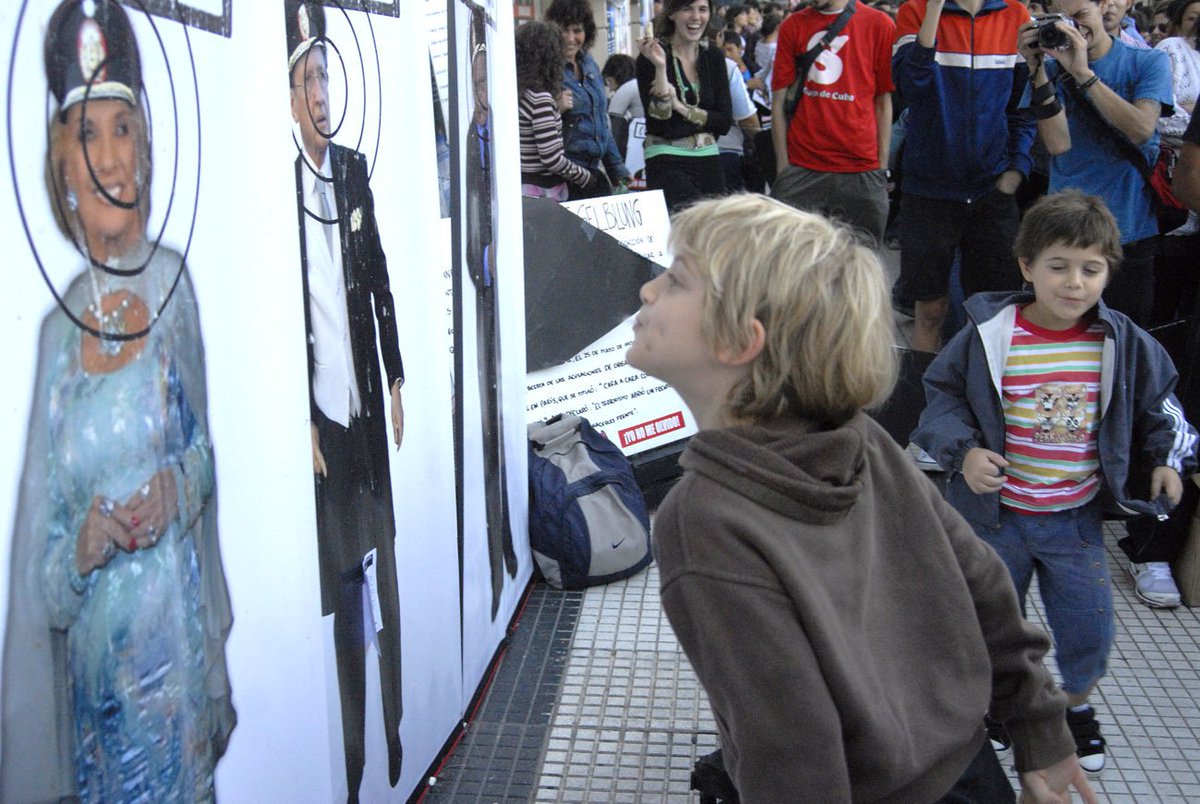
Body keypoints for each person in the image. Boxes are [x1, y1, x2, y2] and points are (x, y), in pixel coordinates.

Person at [627, 194, 1095, 802]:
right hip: (969, 773)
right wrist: (1041, 732)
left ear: (740, 339)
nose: (647, 290)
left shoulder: (705, 516)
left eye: (675, 280)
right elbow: (983, 587)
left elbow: (790, 744)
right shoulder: (863, 440)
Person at [2, 1, 235, 800]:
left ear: (145, 150)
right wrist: (83, 548)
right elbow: (43, 580)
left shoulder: (173, 290)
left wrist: (178, 487)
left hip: (175, 697)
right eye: (87, 134)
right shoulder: (55, 339)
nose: (107, 157)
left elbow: (203, 458)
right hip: (95, 722)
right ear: (63, 169)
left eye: (123, 129)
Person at [913, 191, 1198, 773]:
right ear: (1027, 267)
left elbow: (1163, 406)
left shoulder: (1121, 341)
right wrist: (964, 453)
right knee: (987, 624)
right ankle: (999, 708)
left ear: (1109, 272)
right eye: (1059, 266)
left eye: (1091, 269)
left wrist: (1168, 460)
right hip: (994, 520)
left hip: (1074, 521)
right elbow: (941, 398)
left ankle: (1072, 708)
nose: (1074, 283)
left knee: (1089, 628)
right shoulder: (990, 334)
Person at [286, 2, 405, 796]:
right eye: (309, 79)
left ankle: (396, 732)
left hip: (366, 400)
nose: (323, 93)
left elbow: (380, 276)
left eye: (327, 75)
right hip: (323, 417)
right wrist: (300, 415)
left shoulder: (354, 168)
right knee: (343, 585)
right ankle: (355, 760)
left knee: (385, 567)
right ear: (288, 95)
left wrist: (395, 377)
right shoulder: (276, 187)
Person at [1018, 0, 1173, 326]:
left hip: (1128, 230)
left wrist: (1083, 74)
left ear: (1104, 7)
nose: (1072, 28)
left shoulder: (1147, 61)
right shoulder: (1051, 70)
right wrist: (1036, 69)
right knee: (1063, 337)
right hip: (1066, 230)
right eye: (1061, 20)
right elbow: (1058, 143)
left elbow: (1141, 129)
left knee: (1123, 339)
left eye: (1079, 16)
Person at [891, 0, 1034, 352]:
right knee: (930, 310)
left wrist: (1016, 169)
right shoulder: (915, 10)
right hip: (929, 190)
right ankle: (923, 387)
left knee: (994, 312)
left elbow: (1022, 106)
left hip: (992, 190)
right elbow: (910, 87)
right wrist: (933, 12)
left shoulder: (1014, 15)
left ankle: (981, 385)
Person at [464, 8, 519, 620]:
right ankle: (492, 549)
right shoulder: (468, 143)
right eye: (476, 82)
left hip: (501, 292)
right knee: (484, 421)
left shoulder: (498, 136)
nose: (484, 92)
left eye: (488, 82)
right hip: (482, 295)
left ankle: (507, 542)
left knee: (502, 416)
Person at [769, 0, 896, 244]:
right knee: (789, 260)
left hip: (862, 170)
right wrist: (783, 167)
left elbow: (883, 101)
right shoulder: (792, 25)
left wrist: (880, 167)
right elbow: (778, 104)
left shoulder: (879, 24)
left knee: (859, 261)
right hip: (801, 167)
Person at [636, 0, 734, 210]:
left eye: (702, 9)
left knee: (715, 225)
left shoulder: (713, 55)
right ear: (672, 14)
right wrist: (660, 68)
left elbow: (724, 121)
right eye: (687, 9)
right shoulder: (651, 56)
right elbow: (660, 125)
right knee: (690, 221)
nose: (696, 17)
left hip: (708, 156)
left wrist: (679, 107)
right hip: (665, 157)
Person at [545, 0, 631, 198]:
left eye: (577, 31)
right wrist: (556, 109)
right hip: (562, 177)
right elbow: (531, 122)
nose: (570, 38)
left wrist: (617, 169)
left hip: (593, 173)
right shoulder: (546, 67)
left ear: (587, 32)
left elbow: (602, 122)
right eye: (563, 30)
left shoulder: (589, 63)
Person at [516, 21, 597, 200]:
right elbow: (551, 158)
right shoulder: (540, 98)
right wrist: (585, 177)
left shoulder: (520, 94)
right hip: (543, 191)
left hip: (522, 186)